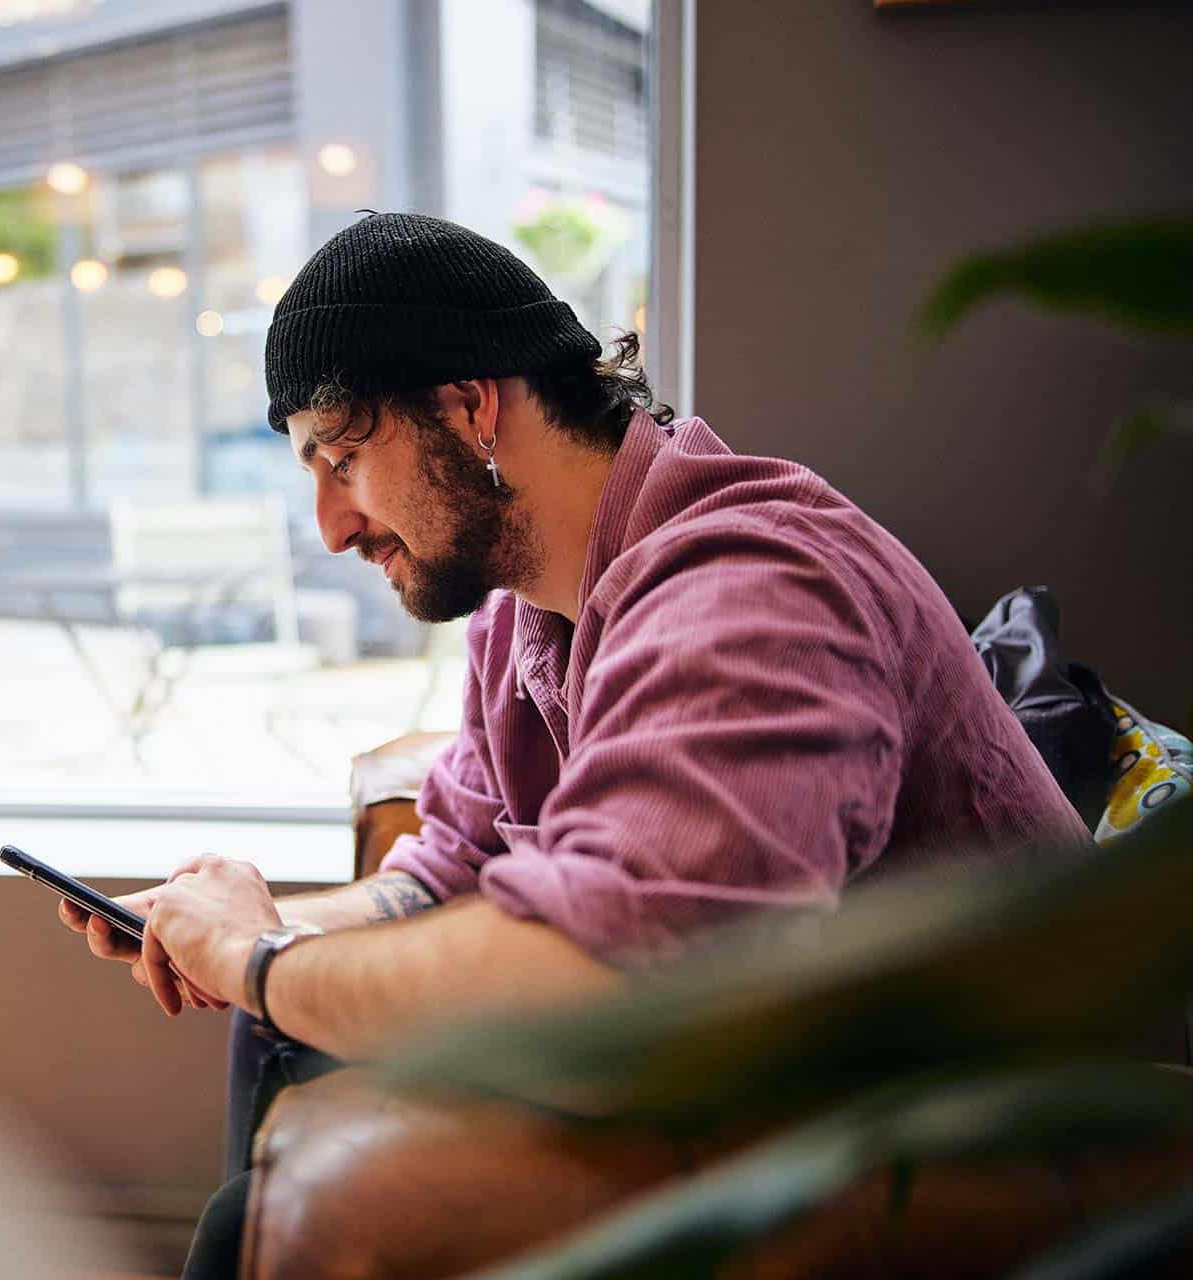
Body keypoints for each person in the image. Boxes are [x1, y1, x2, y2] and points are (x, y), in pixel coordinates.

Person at [59, 212, 1088, 1277]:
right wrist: (232, 924)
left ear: (469, 406)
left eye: (344, 458)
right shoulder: (522, 608)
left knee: (249, 1200)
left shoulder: (750, 587)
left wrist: (261, 959)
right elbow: (446, 871)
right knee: (277, 1026)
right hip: (785, 1058)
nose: (329, 525)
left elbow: (621, 967)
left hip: (989, 1127)